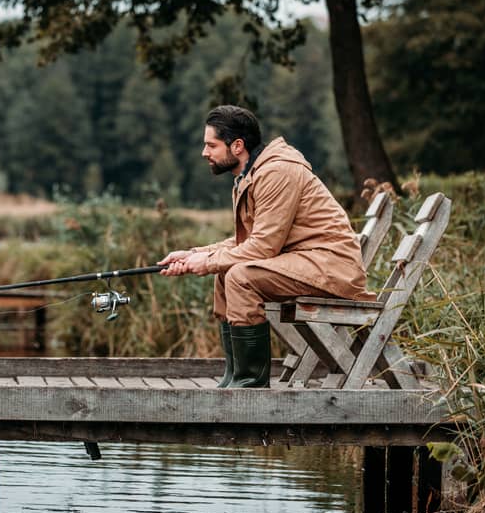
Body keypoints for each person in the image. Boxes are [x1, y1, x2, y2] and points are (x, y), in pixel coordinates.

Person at [158, 105, 372, 388]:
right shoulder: (250, 176)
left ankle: (250, 385)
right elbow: (246, 242)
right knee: (225, 274)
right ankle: (235, 377)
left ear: (237, 146)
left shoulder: (277, 173)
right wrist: (196, 254)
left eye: (211, 145)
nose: (204, 152)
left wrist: (208, 262)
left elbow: (262, 248)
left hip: (331, 267)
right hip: (304, 261)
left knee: (240, 276)